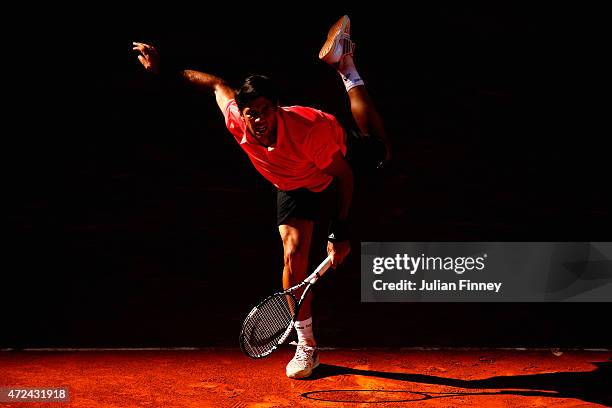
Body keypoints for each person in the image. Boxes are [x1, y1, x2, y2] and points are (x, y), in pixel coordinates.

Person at [133, 15, 391, 379]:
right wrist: (164, 69)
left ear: (277, 108)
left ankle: (346, 67)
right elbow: (214, 85)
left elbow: (345, 178)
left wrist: (341, 232)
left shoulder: (308, 133)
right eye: (252, 113)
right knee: (292, 254)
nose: (259, 120)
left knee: (380, 150)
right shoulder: (237, 118)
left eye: (266, 111)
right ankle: (307, 347)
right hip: (292, 184)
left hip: (329, 163)